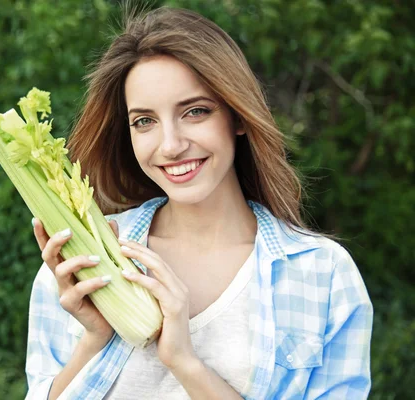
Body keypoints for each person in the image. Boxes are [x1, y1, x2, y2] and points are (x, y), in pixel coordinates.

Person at [25, 6, 373, 400]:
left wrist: (184, 362)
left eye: (195, 112)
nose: (171, 146)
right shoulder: (82, 259)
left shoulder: (322, 275)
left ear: (237, 116)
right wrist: (94, 337)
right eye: (144, 121)